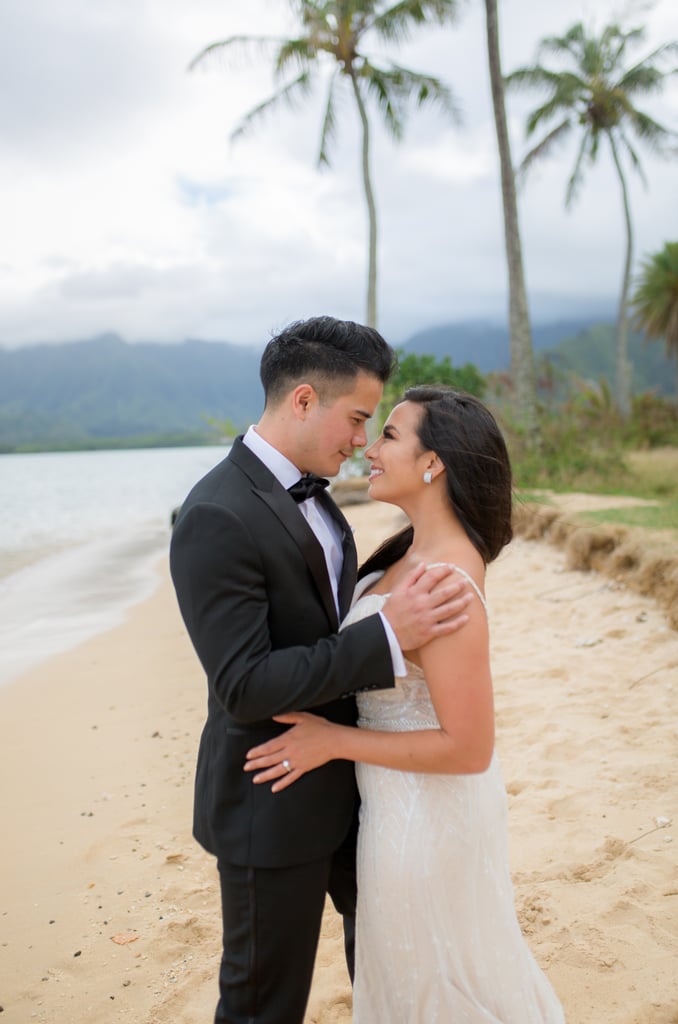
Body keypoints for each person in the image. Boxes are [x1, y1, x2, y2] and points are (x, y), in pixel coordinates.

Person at [169, 319, 473, 1024]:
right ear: (304, 400)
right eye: (359, 417)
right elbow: (242, 684)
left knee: (385, 966)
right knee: (263, 1004)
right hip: (271, 799)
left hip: (356, 788)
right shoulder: (216, 514)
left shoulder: (317, 493)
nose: (363, 440)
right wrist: (387, 637)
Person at [245, 386, 566, 1023]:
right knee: (413, 976)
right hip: (394, 807)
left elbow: (470, 749)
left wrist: (333, 741)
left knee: (432, 982)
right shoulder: (410, 550)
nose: (368, 445)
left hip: (427, 817)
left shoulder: (444, 578)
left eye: (389, 435)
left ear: (434, 462)